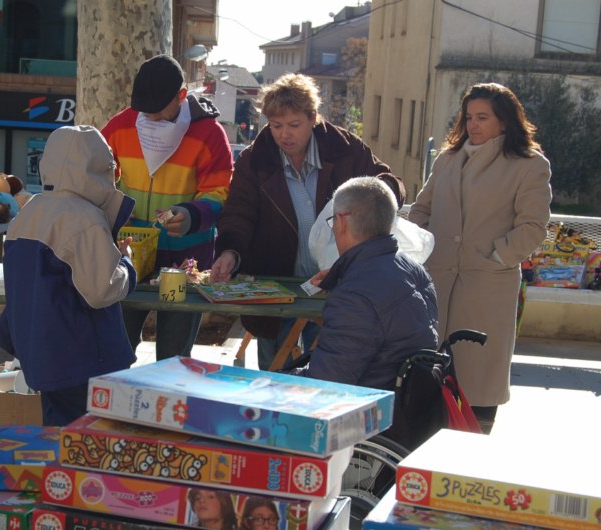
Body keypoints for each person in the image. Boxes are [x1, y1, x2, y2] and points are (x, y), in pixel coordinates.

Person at [210, 73, 405, 371]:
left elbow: (387, 183)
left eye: (294, 125)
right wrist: (229, 252)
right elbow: (238, 213)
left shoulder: (345, 150)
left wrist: (380, 197)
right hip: (275, 283)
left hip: (339, 283)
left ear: (313, 118)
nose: (284, 135)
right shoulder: (255, 160)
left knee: (328, 374)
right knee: (273, 376)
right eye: (276, 126)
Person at [408, 82, 552, 433]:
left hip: (487, 288)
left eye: (483, 117)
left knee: (478, 381)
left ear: (504, 121)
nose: (473, 124)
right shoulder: (447, 159)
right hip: (438, 281)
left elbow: (533, 227)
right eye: (469, 116)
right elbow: (420, 210)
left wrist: (495, 255)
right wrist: (428, 249)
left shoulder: (529, 165)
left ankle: (472, 458)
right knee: (427, 380)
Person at [0, 125, 137, 426]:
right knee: (92, 444)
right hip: (83, 359)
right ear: (103, 169)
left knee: (59, 440)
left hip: (43, 356)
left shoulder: (30, 212)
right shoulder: (86, 217)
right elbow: (101, 290)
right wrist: (126, 264)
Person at [102, 54, 232, 361]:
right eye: (144, 111)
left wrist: (191, 215)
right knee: (114, 349)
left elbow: (220, 191)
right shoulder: (120, 127)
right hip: (129, 254)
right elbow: (99, 180)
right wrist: (117, 209)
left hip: (185, 261)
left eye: (158, 110)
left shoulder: (210, 134)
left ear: (181, 96)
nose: (151, 117)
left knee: (174, 358)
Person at [301, 176, 438, 390]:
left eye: (333, 222)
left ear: (342, 222)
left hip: (369, 412)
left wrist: (279, 380)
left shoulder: (355, 295)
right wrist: (340, 274)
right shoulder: (414, 269)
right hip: (408, 404)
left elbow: (325, 384)